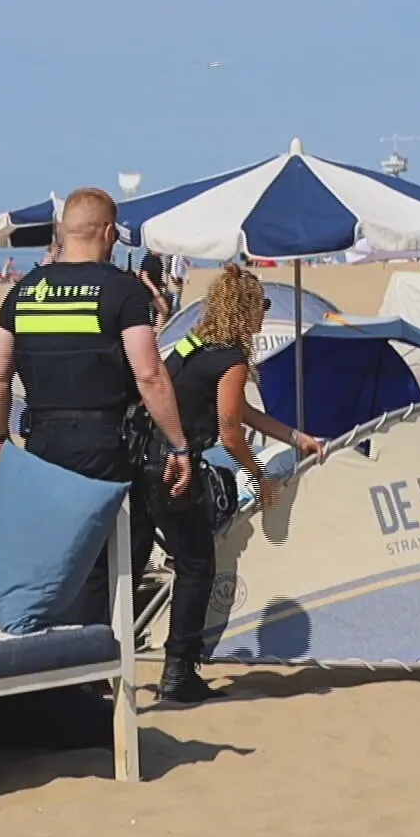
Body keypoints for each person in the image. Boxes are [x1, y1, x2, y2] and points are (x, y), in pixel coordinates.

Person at [0, 186, 194, 629]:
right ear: (106, 232)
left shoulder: (24, 291)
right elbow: (149, 374)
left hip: (41, 440)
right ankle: (92, 659)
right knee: (114, 552)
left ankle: (51, 649)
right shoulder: (121, 291)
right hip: (106, 442)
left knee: (55, 548)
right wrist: (179, 445)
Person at [140, 264, 324, 703]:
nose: (264, 312)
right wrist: (259, 477)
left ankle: (103, 662)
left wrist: (295, 438)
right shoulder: (232, 360)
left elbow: (237, 411)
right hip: (174, 472)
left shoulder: (191, 347)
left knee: (137, 565)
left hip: (144, 464)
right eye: (260, 304)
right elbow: (230, 433)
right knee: (196, 566)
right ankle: (178, 672)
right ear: (244, 310)